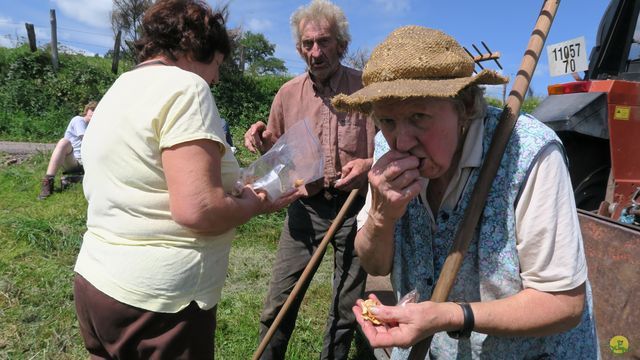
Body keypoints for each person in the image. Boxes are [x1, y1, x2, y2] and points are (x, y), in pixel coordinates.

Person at [332, 26, 599, 358]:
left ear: (466, 106)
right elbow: (374, 265)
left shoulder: (530, 153)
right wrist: (381, 217)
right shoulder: (387, 146)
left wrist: (447, 316)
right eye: (387, 121)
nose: (401, 141)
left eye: (419, 116)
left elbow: (562, 303)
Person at [72, 1, 299, 358]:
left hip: (97, 284)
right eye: (218, 64)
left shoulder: (120, 87)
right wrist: (257, 202)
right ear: (197, 48)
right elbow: (199, 209)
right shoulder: (186, 89)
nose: (216, 78)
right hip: (158, 306)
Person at [243, 0, 376, 358]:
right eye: (307, 44)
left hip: (354, 210)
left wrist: (368, 164)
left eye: (324, 42)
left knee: (346, 308)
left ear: (342, 44)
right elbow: (278, 156)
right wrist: (262, 140)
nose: (315, 52)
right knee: (279, 301)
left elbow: (391, 146)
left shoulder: (367, 89)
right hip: (305, 210)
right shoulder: (288, 94)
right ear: (300, 48)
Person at [37, 101, 97, 200]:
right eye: (92, 109)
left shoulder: (97, 127)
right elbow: (85, 139)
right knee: (63, 142)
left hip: (89, 163)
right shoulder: (78, 120)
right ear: (87, 110)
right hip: (74, 160)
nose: (94, 113)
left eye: (97, 111)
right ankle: (48, 181)